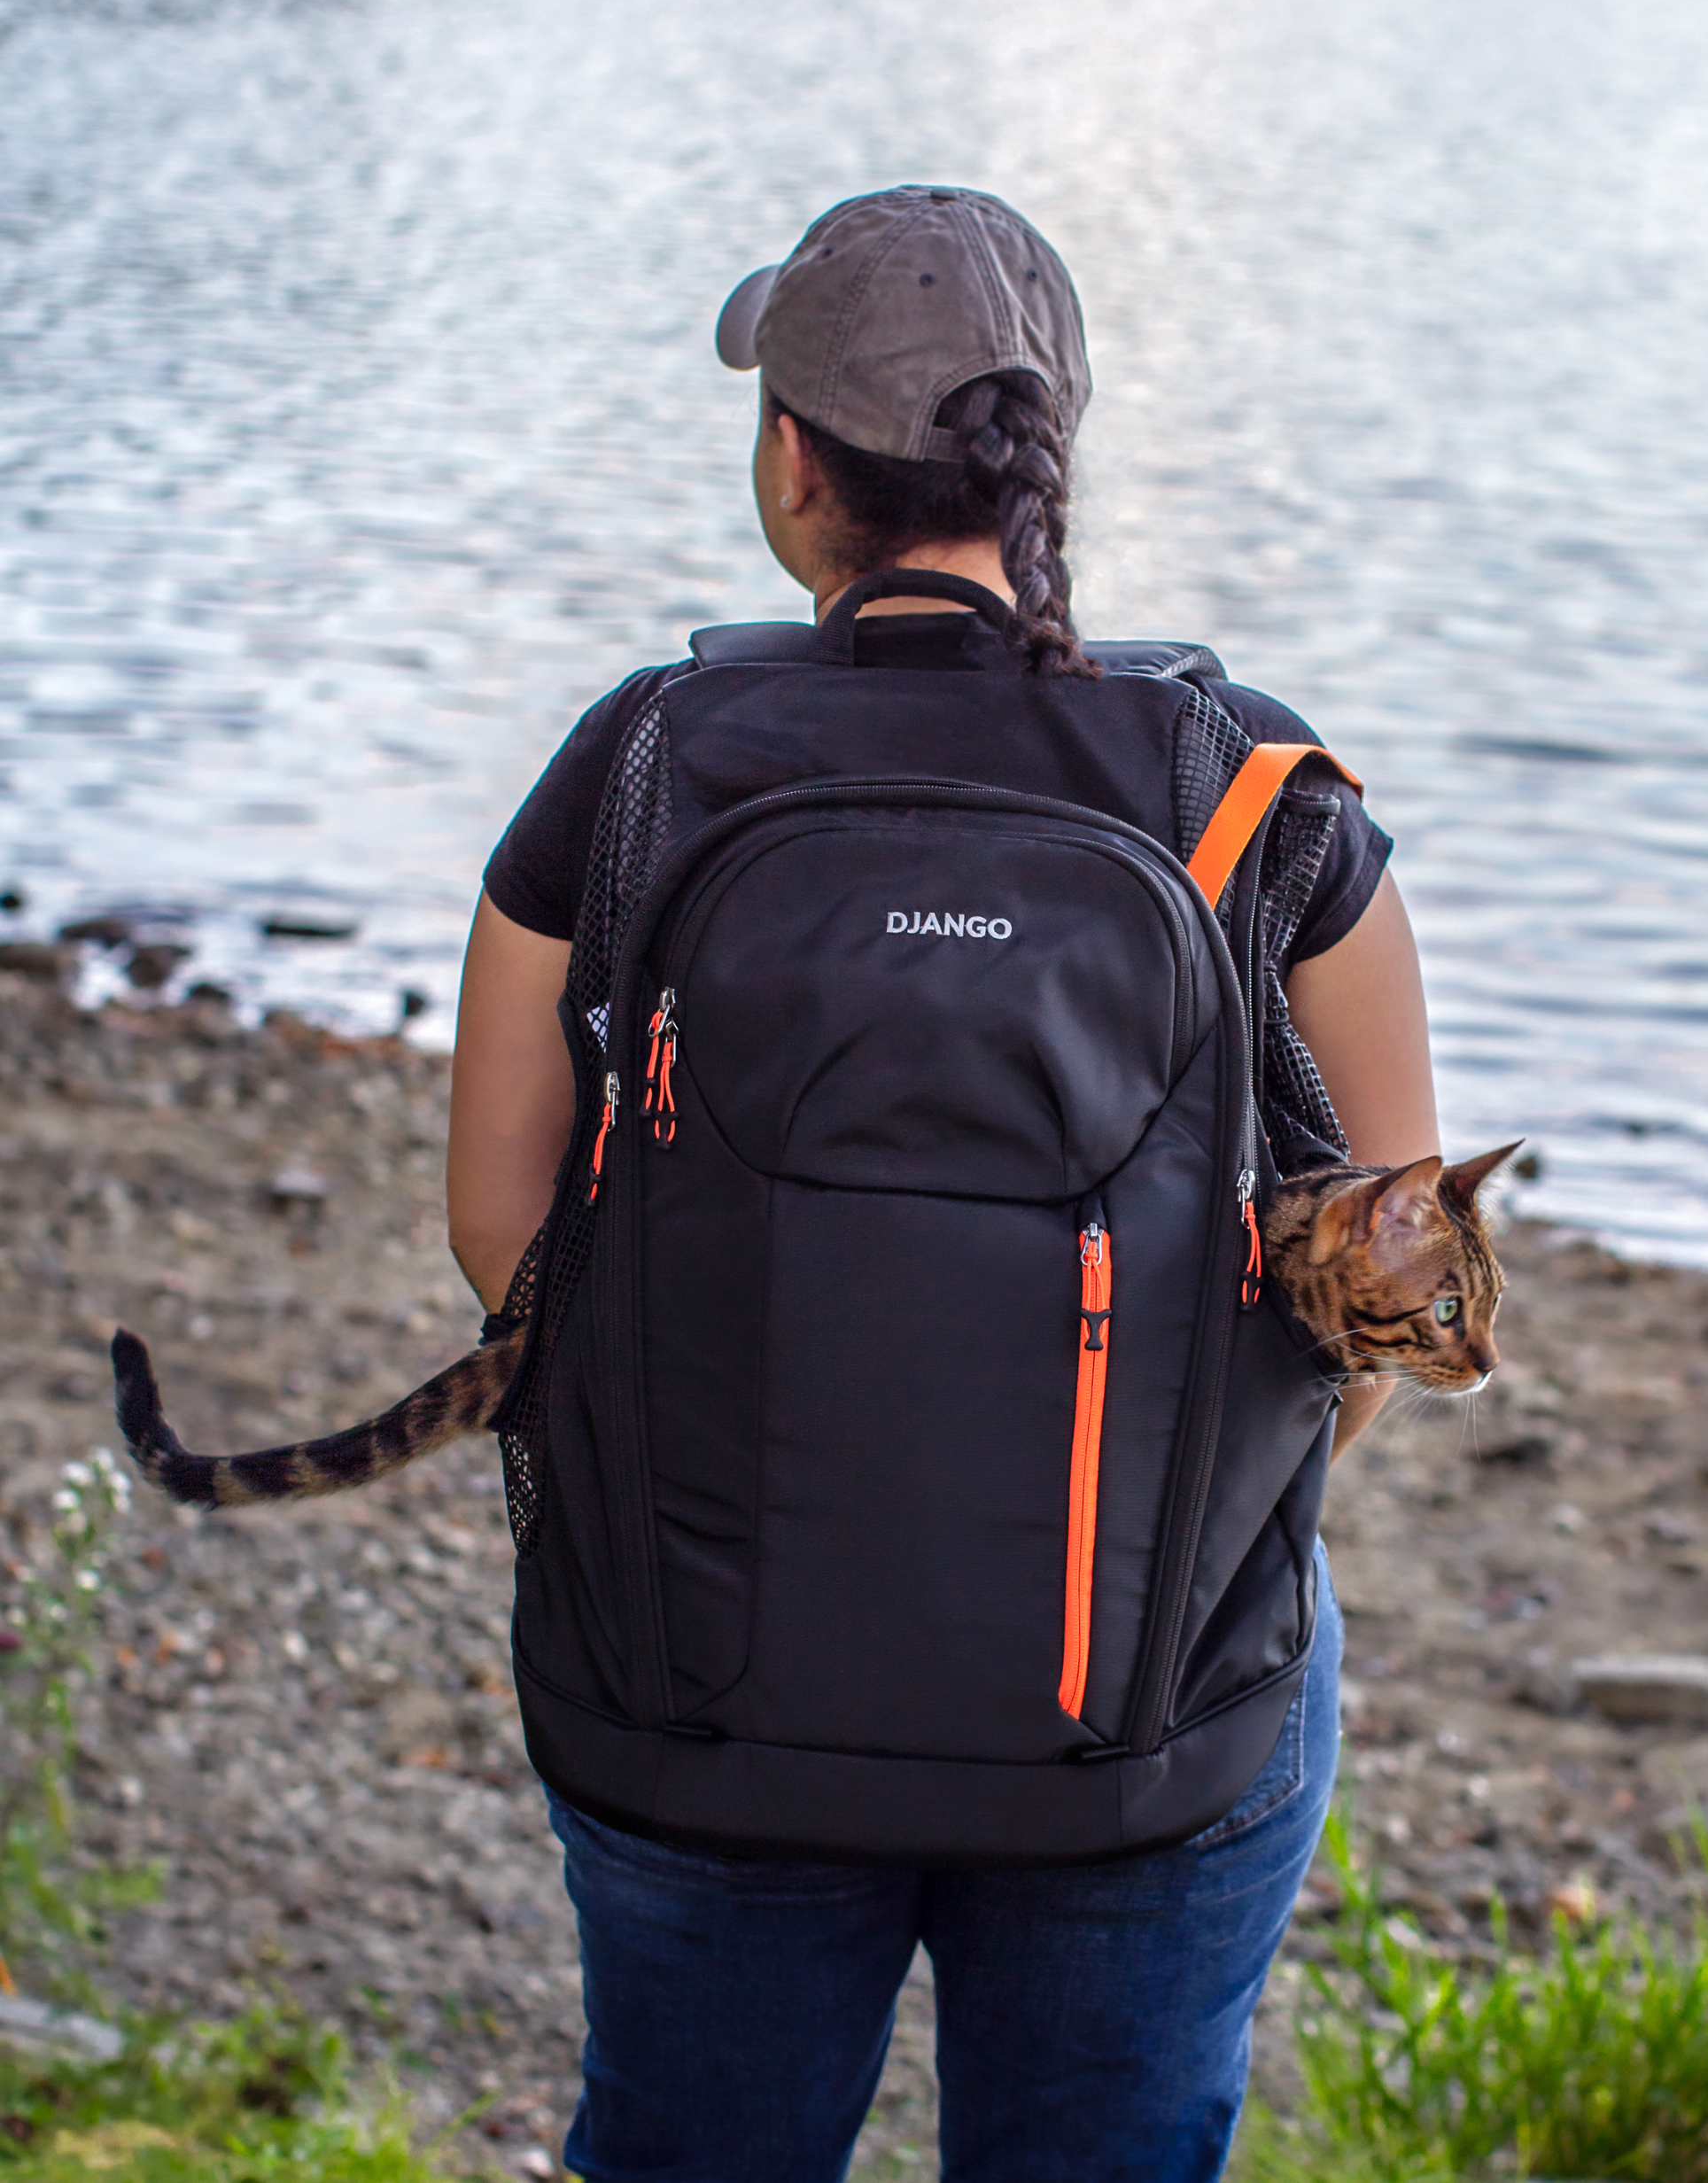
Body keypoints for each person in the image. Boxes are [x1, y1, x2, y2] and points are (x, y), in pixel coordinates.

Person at [446, 186, 1438, 2183]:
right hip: (1145, 1709)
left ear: (793, 465)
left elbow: (501, 1228)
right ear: (1046, 453)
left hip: (697, 1698)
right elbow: (1385, 1290)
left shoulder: (637, 763)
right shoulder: (1245, 784)